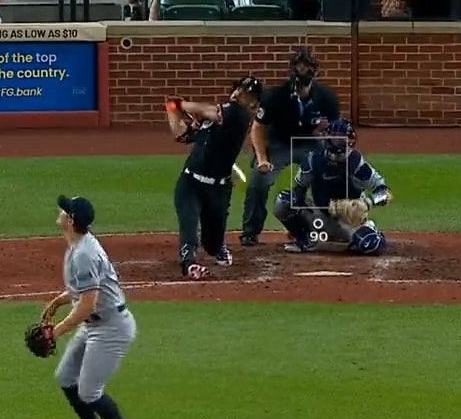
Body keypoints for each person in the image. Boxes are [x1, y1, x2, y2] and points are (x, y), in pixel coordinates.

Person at [36, 195, 143, 419]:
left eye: (65, 210)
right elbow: (82, 291)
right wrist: (57, 302)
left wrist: (56, 332)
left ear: (70, 221)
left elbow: (86, 304)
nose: (60, 211)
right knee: (65, 377)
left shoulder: (83, 254)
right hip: (97, 322)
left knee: (89, 391)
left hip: (111, 328)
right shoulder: (78, 245)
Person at [240, 47, 340, 246]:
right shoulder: (275, 96)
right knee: (259, 181)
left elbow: (336, 129)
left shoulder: (326, 97)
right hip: (279, 142)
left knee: (330, 176)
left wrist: (334, 154)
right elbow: (258, 127)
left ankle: (329, 226)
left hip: (310, 142)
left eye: (308, 67)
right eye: (300, 67)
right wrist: (261, 158)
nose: (303, 71)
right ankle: (250, 232)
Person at [166, 76, 264, 279]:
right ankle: (189, 264)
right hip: (190, 182)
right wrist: (172, 111)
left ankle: (217, 246)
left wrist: (181, 104)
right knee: (189, 222)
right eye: (238, 89)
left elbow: (209, 112)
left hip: (218, 190)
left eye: (245, 93)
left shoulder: (239, 116)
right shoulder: (215, 118)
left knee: (212, 243)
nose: (238, 93)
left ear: (253, 102)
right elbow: (181, 135)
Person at [273, 118, 393, 254]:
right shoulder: (314, 160)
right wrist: (297, 223)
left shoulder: (356, 165)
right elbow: (299, 190)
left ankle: (365, 232)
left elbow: (385, 192)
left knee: (371, 245)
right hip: (320, 217)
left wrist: (367, 203)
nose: (339, 141)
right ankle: (306, 239)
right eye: (335, 137)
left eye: (342, 138)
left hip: (349, 221)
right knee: (283, 202)